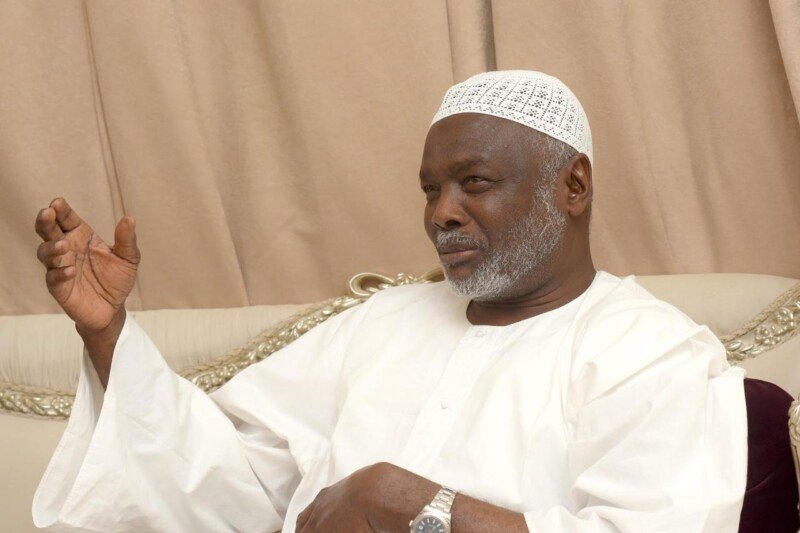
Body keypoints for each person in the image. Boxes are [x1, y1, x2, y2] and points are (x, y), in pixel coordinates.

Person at [31, 70, 747, 532]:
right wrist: (108, 333)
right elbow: (228, 479)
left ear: (574, 186)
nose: (442, 213)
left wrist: (411, 505)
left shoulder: (653, 352)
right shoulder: (381, 323)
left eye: (474, 183)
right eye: (432, 189)